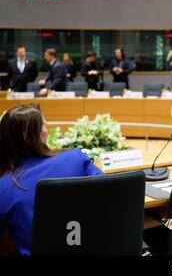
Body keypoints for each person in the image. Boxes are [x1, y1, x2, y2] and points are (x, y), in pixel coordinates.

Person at [0, 104, 104, 256]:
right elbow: (111, 195)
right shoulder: (75, 158)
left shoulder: (4, 187)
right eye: (45, 124)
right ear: (39, 134)